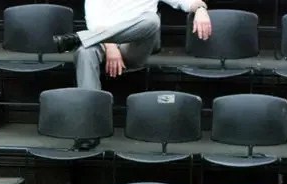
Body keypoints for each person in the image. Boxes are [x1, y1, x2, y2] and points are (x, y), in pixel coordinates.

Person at [53, 0, 213, 149]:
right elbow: (94, 21)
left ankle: (79, 38)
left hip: (135, 46)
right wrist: (110, 47)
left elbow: (185, 2)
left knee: (152, 21)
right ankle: (89, 128)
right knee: (84, 52)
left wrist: (200, 9)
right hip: (102, 43)